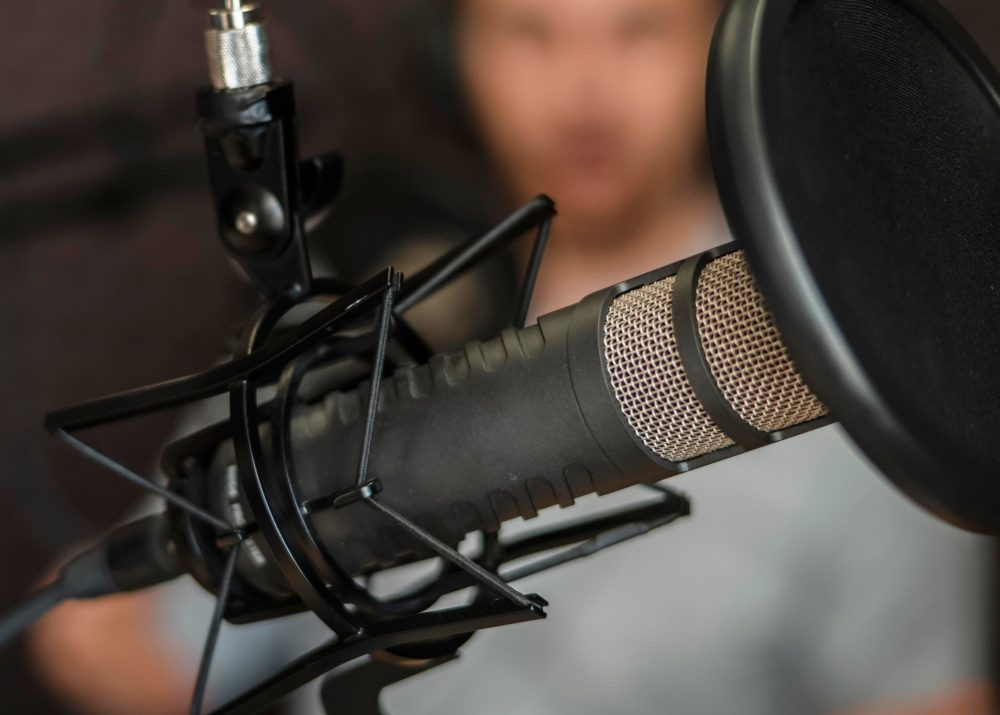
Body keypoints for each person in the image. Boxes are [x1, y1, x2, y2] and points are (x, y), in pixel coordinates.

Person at [28, 0, 994, 713]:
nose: (584, 91)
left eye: (638, 30)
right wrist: (110, 637)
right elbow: (136, 646)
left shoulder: (854, 352)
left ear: (715, 39)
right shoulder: (359, 311)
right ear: (456, 58)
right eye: (531, 32)